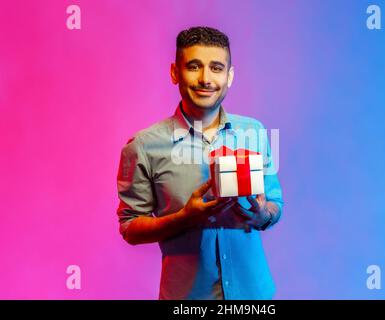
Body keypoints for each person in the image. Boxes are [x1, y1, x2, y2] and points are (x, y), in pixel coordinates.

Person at [116, 26, 283, 300]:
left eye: (216, 68)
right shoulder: (143, 146)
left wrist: (262, 214)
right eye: (194, 66)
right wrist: (183, 219)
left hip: (255, 295)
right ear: (175, 72)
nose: (206, 79)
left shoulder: (254, 132)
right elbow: (130, 227)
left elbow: (276, 203)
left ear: (229, 76)